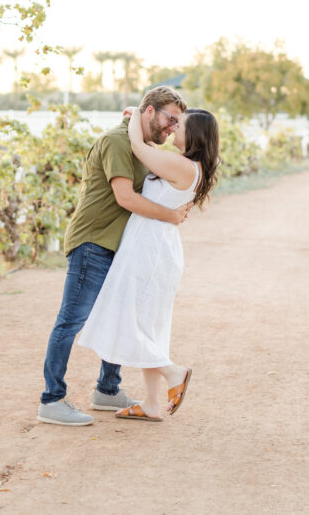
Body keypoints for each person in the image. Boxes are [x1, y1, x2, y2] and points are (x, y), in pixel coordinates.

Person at [37, 87, 190, 426]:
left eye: (178, 123)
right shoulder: (119, 141)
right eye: (170, 119)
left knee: (121, 316)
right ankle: (52, 400)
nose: (172, 128)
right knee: (71, 321)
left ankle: (107, 390)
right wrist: (172, 216)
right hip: (93, 241)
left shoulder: (142, 143)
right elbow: (125, 197)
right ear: (149, 112)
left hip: (116, 245)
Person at [78, 106, 220, 421]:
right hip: (155, 246)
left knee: (128, 320)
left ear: (193, 133)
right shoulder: (185, 165)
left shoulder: (182, 166)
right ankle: (153, 404)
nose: (171, 128)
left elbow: (139, 148)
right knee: (148, 326)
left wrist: (136, 116)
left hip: (149, 250)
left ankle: (173, 373)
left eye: (178, 124)